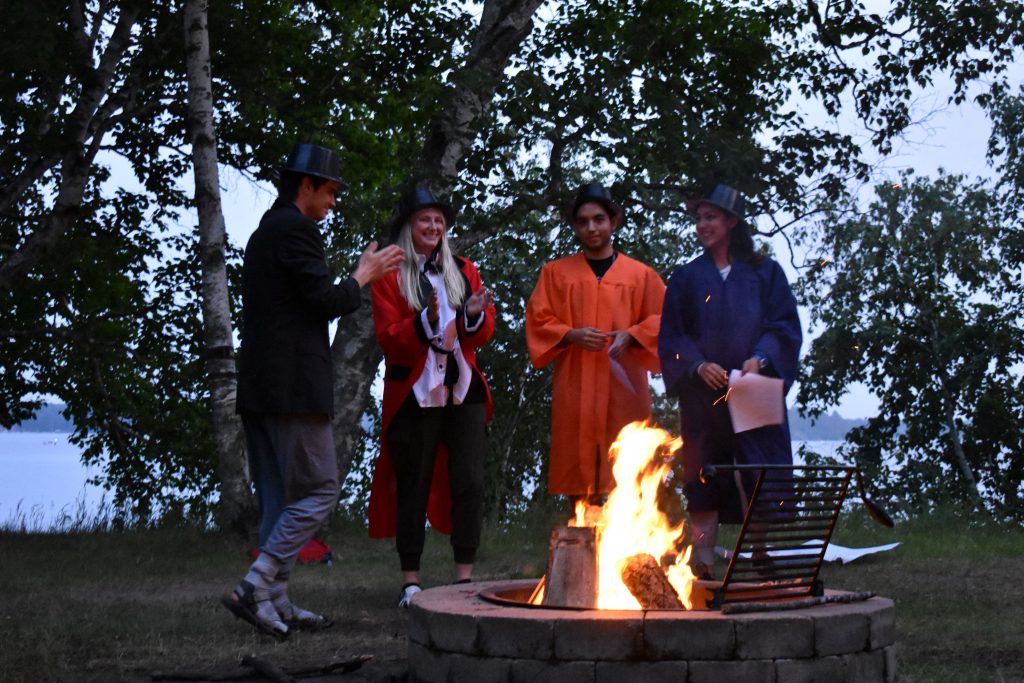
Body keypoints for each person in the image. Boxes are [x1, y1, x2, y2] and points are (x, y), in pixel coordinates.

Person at [224, 143, 404, 639]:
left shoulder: (264, 232)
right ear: (305, 186)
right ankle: (254, 584)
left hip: (260, 384)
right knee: (320, 488)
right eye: (329, 191)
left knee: (279, 499)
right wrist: (363, 276)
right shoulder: (297, 230)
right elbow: (325, 301)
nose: (332, 202)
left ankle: (273, 601)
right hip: (291, 388)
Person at [658, 183, 802, 579]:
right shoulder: (687, 278)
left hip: (753, 387)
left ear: (732, 221)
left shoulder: (765, 273)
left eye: (711, 217)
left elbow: (784, 326)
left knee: (759, 467)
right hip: (705, 395)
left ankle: (759, 553)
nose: (702, 225)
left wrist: (762, 358)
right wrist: (695, 365)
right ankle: (704, 561)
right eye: (699, 218)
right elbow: (672, 334)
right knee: (704, 471)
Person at [366, 187, 495, 608]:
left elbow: (484, 333)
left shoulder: (464, 269)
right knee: (413, 483)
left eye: (439, 221)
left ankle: (464, 578)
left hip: (462, 390)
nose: (433, 227)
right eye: (425, 219)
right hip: (415, 393)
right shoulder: (388, 274)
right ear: (408, 225)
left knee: (470, 482)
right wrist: (425, 320)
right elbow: (390, 340)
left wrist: (474, 314)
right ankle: (410, 582)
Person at [525, 183, 665, 502]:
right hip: (576, 384)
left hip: (624, 385)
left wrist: (633, 334)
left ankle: (627, 542)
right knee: (579, 465)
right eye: (584, 221)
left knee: (627, 462)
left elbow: (663, 319)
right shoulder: (556, 274)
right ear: (576, 226)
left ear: (613, 221)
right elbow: (538, 319)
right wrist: (569, 334)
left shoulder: (641, 276)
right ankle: (581, 538)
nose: (592, 227)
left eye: (599, 219)